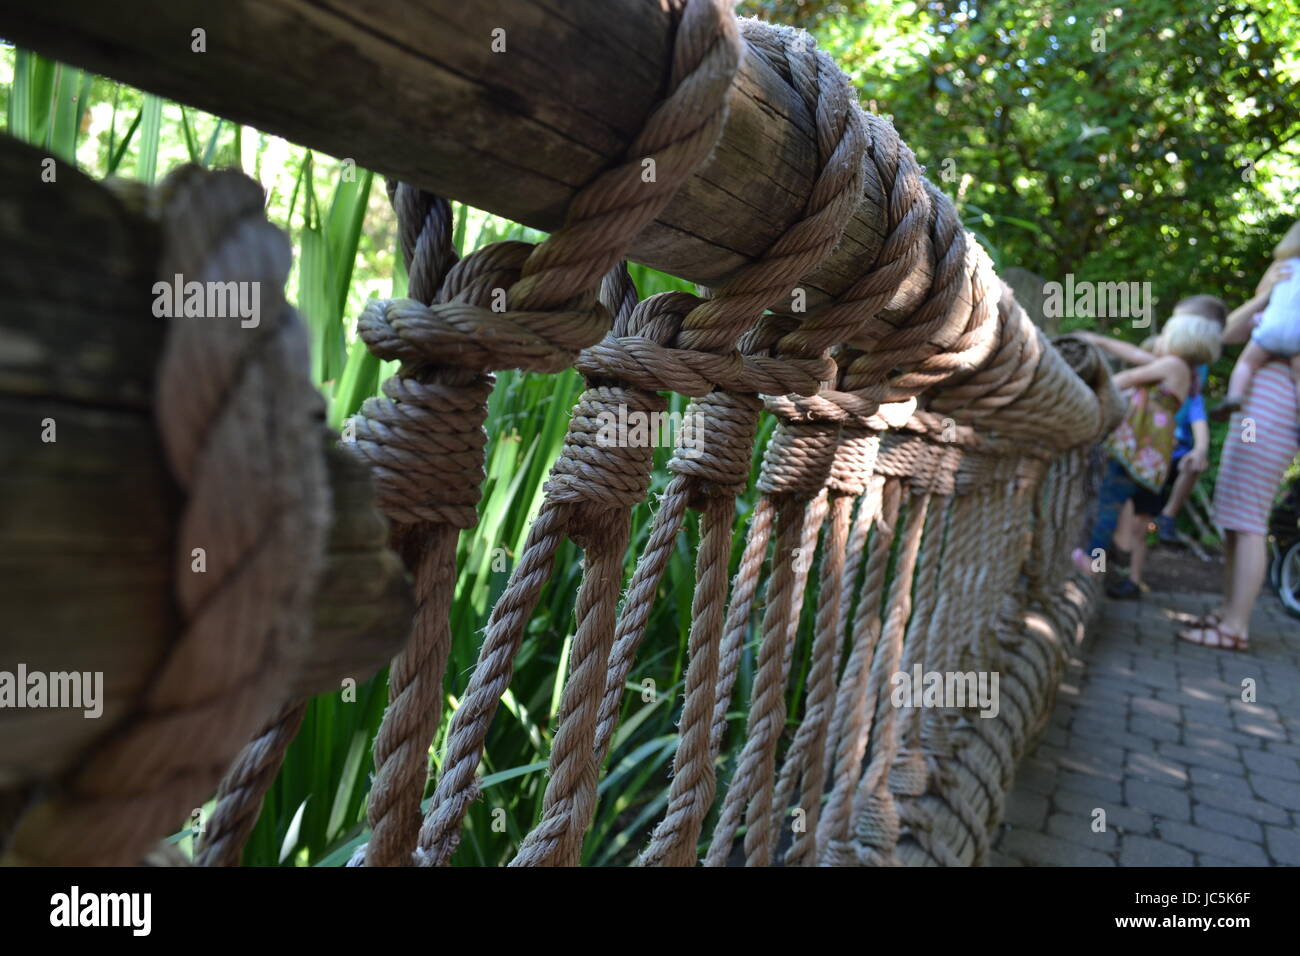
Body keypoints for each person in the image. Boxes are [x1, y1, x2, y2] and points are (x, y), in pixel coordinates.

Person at [1180, 262, 1300, 651]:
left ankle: (1235, 628)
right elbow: (1226, 335)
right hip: (1255, 413)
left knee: (1248, 519)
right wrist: (1266, 294)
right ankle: (1228, 612)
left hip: (1275, 416)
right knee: (1236, 517)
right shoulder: (1286, 293)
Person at [1072, 304, 1224, 582]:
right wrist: (1100, 341)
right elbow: (1138, 357)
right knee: (1117, 504)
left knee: (1107, 502)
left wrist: (1083, 390)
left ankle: (1094, 561)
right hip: (1150, 456)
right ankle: (1116, 561)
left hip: (1135, 450)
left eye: (1167, 332)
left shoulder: (1171, 365)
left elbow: (1128, 377)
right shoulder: (1186, 372)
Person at [1211, 220, 1300, 425]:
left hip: (1266, 422)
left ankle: (1234, 397)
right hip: (1254, 419)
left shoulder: (1284, 266)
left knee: (1246, 364)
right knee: (1247, 438)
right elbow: (1226, 334)